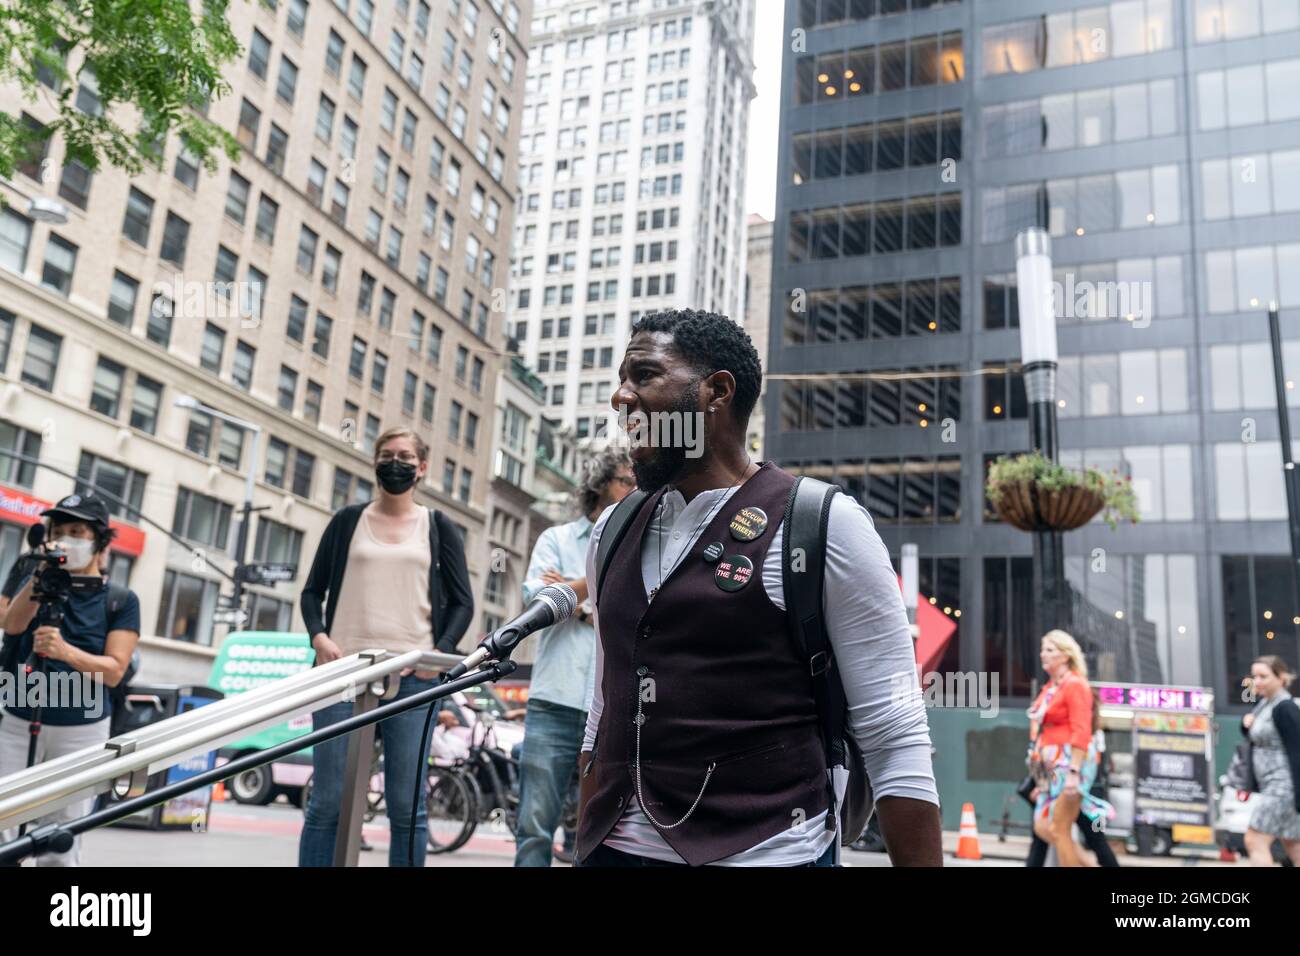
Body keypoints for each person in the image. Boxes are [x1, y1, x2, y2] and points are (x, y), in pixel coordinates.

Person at [576, 309, 942, 867]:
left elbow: (894, 731)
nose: (620, 398)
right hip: (615, 854)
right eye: (621, 379)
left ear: (716, 392)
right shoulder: (611, 530)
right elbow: (602, 709)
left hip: (769, 853)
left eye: (643, 375)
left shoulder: (824, 524)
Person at [298, 427, 474, 867]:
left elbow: (462, 602)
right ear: (374, 461)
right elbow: (311, 592)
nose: (395, 463)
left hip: (413, 680)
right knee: (328, 802)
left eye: (406, 456)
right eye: (387, 454)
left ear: (422, 467)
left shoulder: (438, 526)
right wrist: (318, 636)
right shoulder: (345, 522)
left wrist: (440, 654)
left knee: (407, 806)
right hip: (342, 676)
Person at [0, 492, 141, 866]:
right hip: (17, 719)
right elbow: (12, 625)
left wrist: (65, 653)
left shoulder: (121, 600)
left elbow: (114, 671)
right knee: (2, 824)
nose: (66, 538)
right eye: (59, 530)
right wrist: (41, 576)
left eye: (77, 530)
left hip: (81, 728)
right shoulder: (32, 574)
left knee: (61, 835)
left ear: (98, 541)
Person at [515, 447, 633, 867]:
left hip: (612, 709)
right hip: (554, 699)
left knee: (601, 829)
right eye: (626, 481)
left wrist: (572, 593)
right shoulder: (557, 539)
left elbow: (637, 617)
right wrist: (591, 594)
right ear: (600, 485)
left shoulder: (640, 548)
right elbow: (538, 602)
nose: (635, 491)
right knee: (534, 824)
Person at [1025, 630, 1114, 867]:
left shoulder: (1075, 684)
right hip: (1051, 769)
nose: (1043, 654)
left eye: (1050, 649)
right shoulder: (1051, 687)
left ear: (1065, 655)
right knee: (1043, 826)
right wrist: (1041, 781)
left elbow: (1081, 730)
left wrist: (1073, 772)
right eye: (1043, 648)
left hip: (1070, 763)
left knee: (1059, 827)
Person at [1242, 655, 1300, 866]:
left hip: (1283, 787)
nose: (1257, 681)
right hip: (1274, 785)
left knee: (1255, 839)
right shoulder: (1265, 705)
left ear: (1281, 677)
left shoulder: (1285, 708)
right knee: (1293, 844)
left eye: (1263, 676)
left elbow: (1297, 751)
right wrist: (1245, 724)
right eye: (1254, 676)